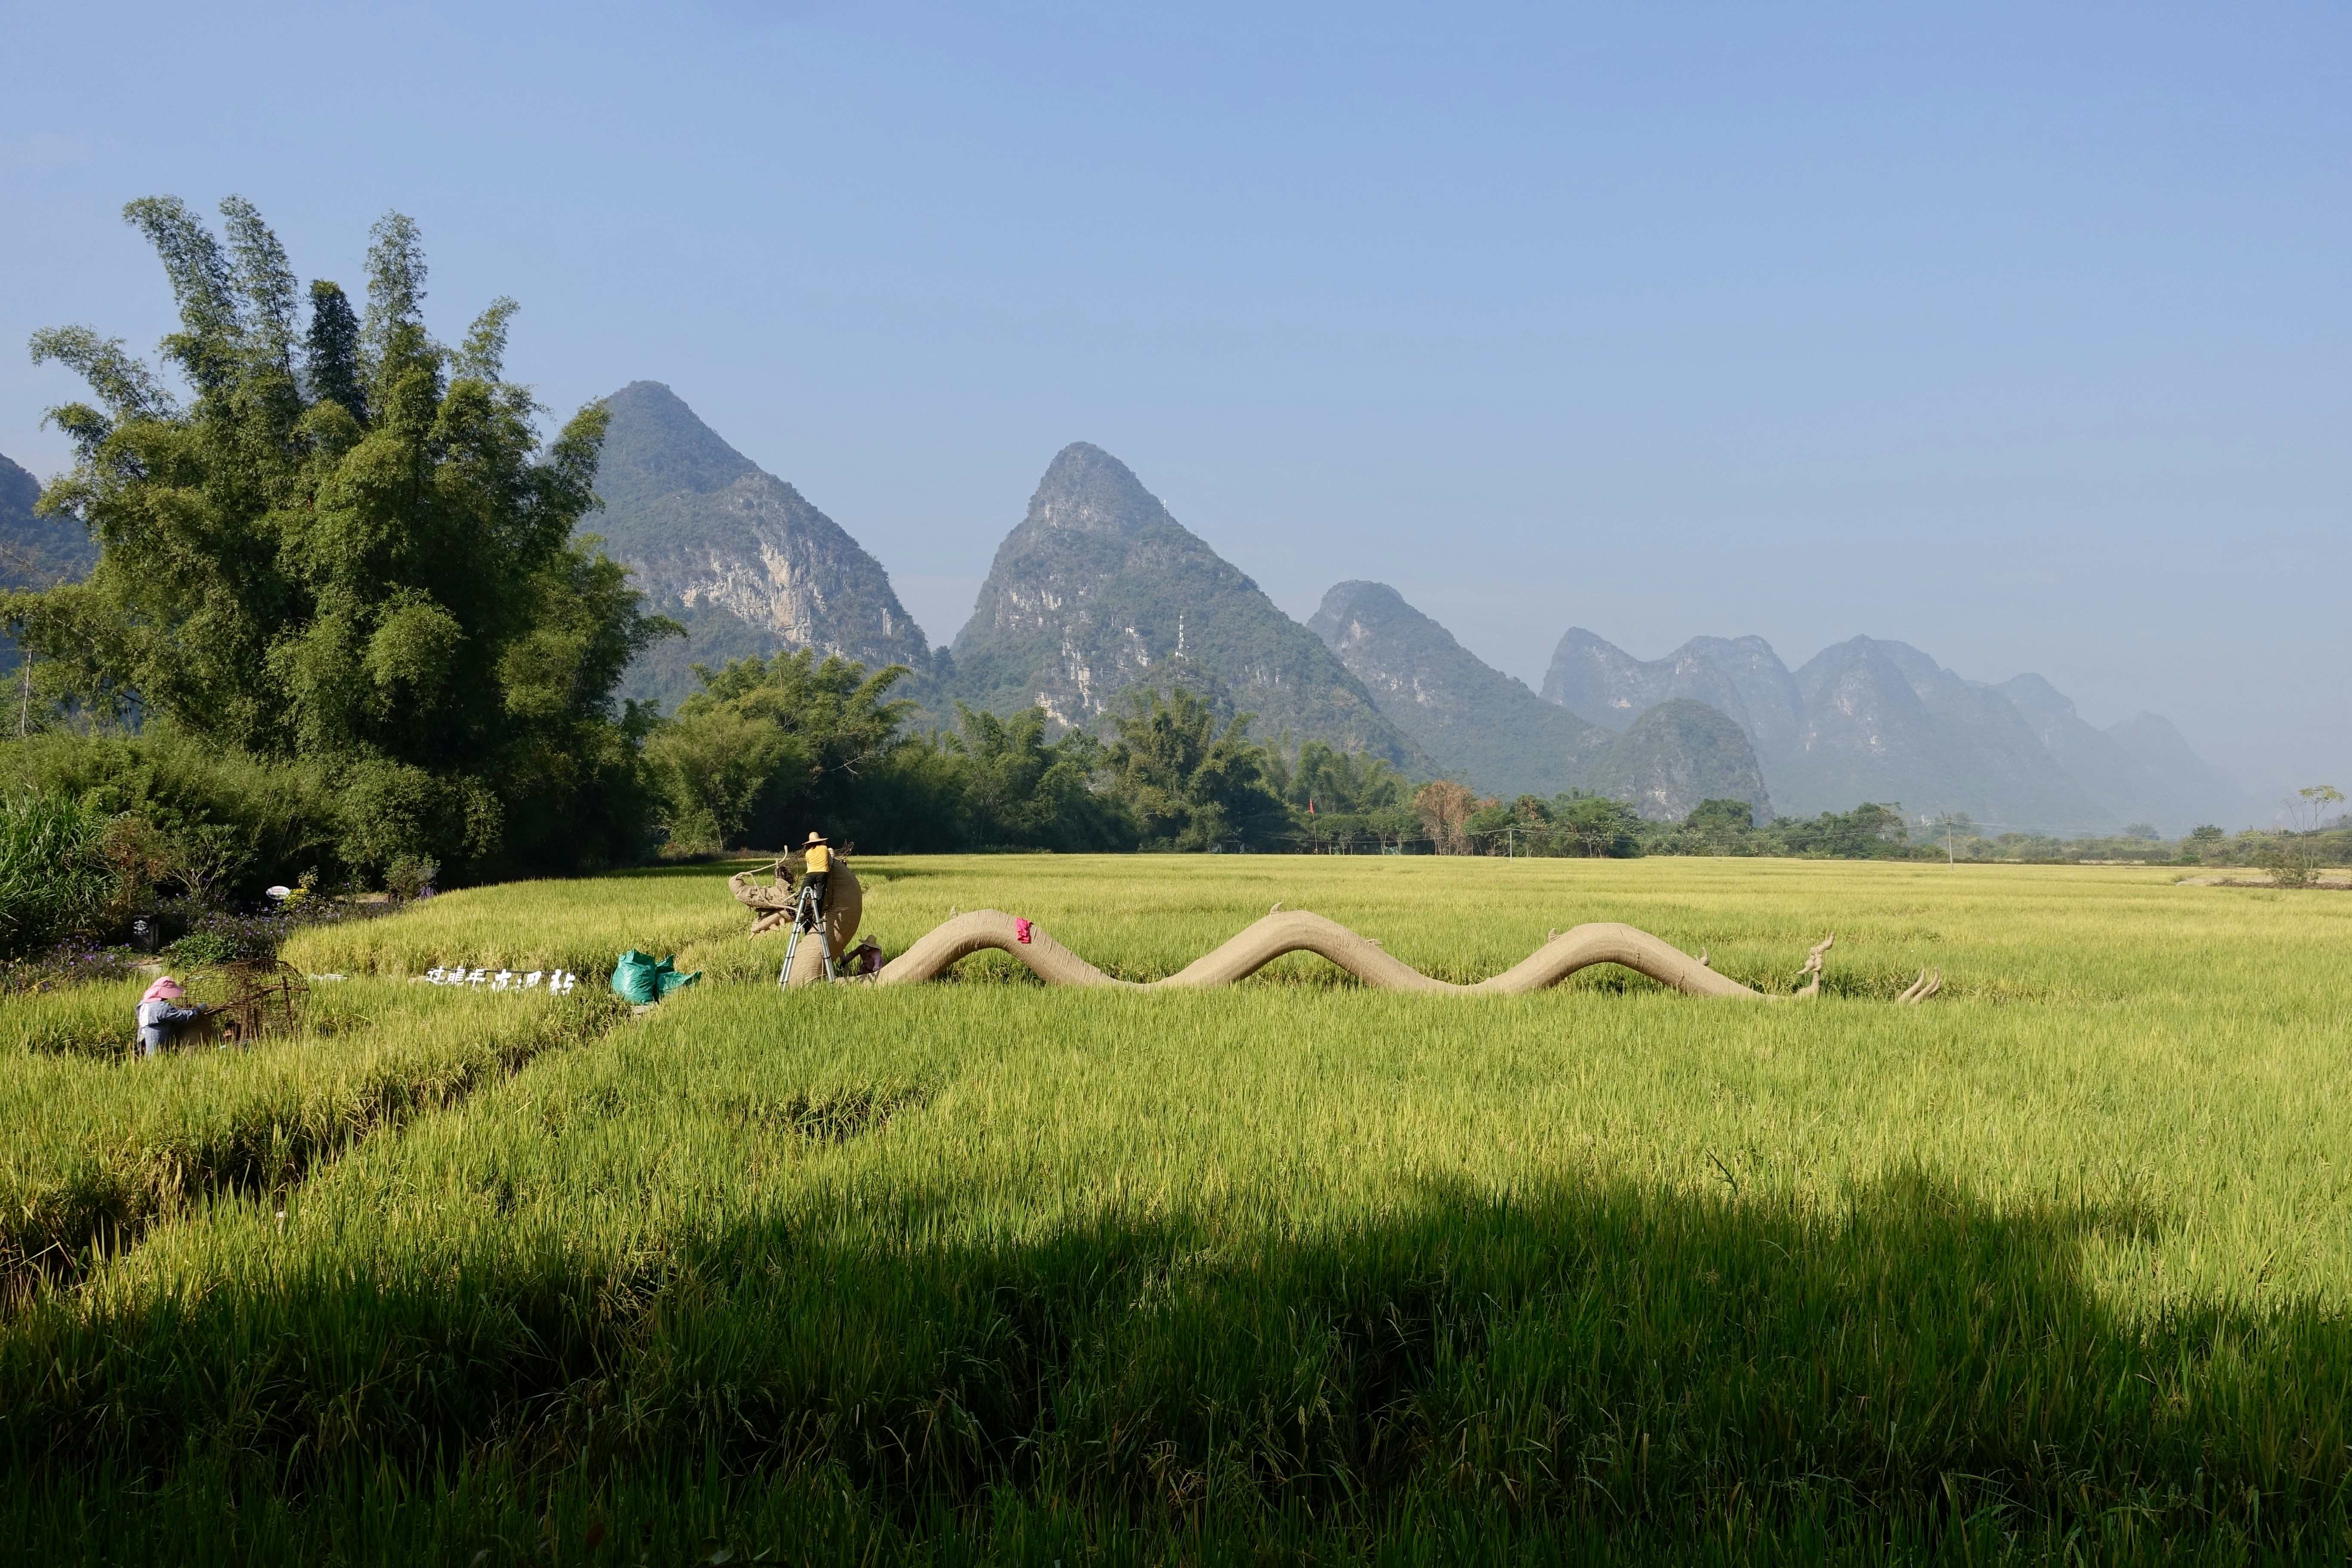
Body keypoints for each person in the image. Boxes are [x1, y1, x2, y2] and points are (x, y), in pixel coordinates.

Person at [135, 977, 212, 1056]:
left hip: (142, 1035)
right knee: (154, 1059)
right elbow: (182, 1016)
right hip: (154, 1035)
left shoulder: (144, 1003)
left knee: (145, 1055)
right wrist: (198, 1010)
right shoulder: (160, 1007)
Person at [797, 831, 832, 932]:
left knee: (803, 892)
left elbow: (809, 866)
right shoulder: (825, 849)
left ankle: (801, 911)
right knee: (820, 895)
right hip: (823, 873)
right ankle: (818, 915)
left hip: (811, 874)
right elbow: (830, 860)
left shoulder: (808, 853)